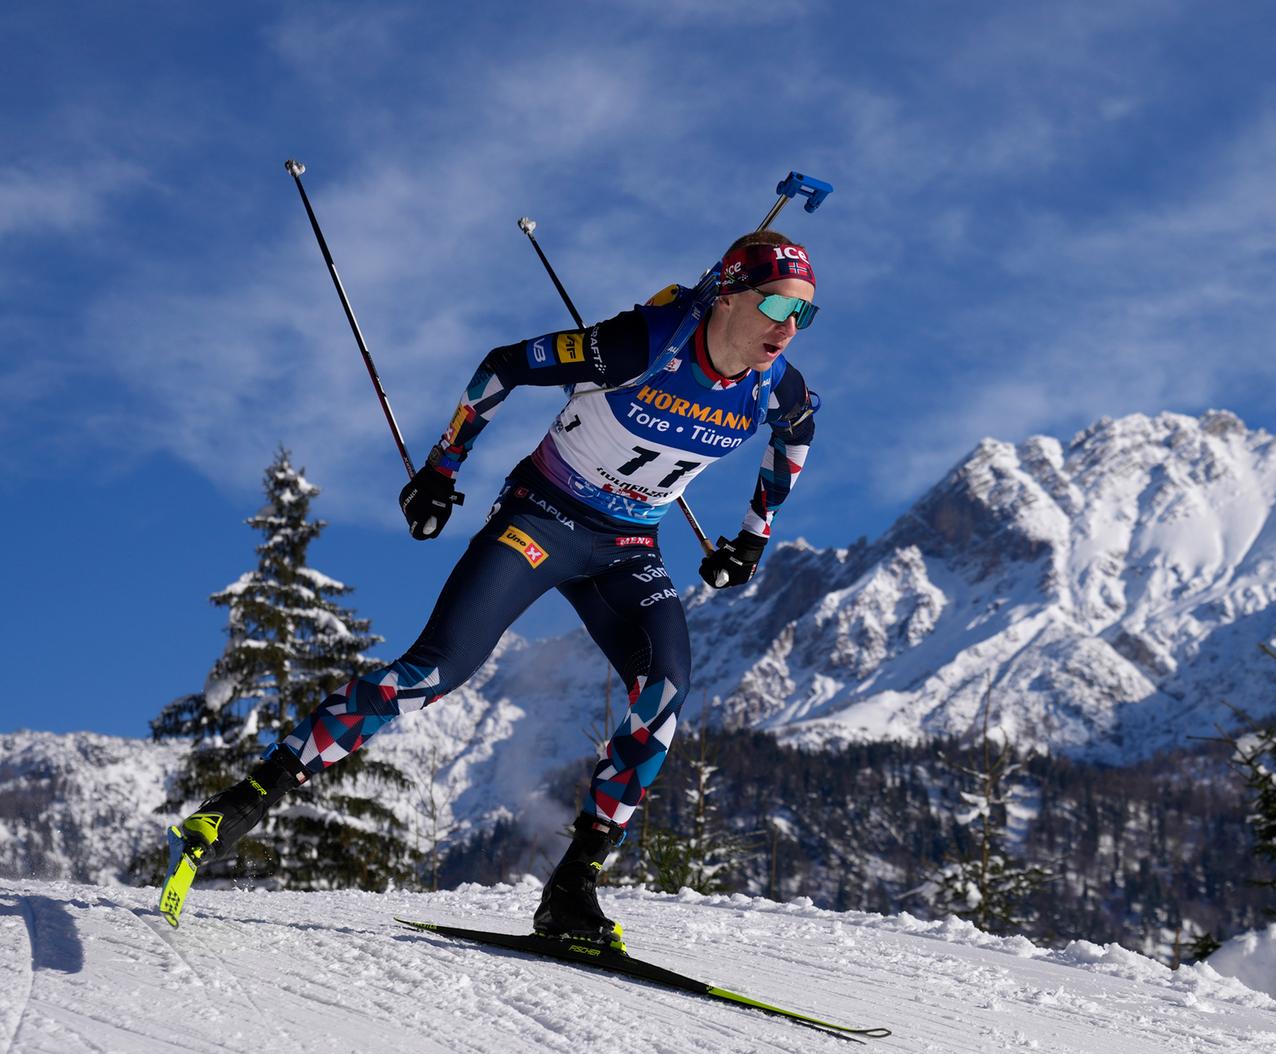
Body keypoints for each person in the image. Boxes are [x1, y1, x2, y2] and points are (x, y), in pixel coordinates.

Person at [159, 231, 823, 945]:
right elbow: (504, 366)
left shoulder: (771, 385)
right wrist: (442, 470)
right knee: (434, 672)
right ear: (725, 294)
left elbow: (798, 433)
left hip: (628, 549)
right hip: (541, 520)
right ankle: (242, 803)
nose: (788, 327)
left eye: (804, 314)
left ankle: (573, 890)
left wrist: (753, 538)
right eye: (777, 303)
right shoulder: (641, 344)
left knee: (665, 692)